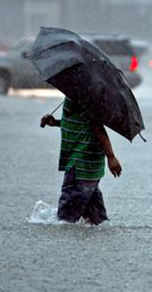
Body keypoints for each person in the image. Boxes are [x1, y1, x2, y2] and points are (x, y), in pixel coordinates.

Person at [40, 96, 122, 225]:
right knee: (97, 221)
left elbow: (97, 128)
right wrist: (56, 122)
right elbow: (78, 122)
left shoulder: (81, 97)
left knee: (65, 219)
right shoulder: (76, 95)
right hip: (88, 167)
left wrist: (111, 156)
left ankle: (64, 244)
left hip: (81, 164)